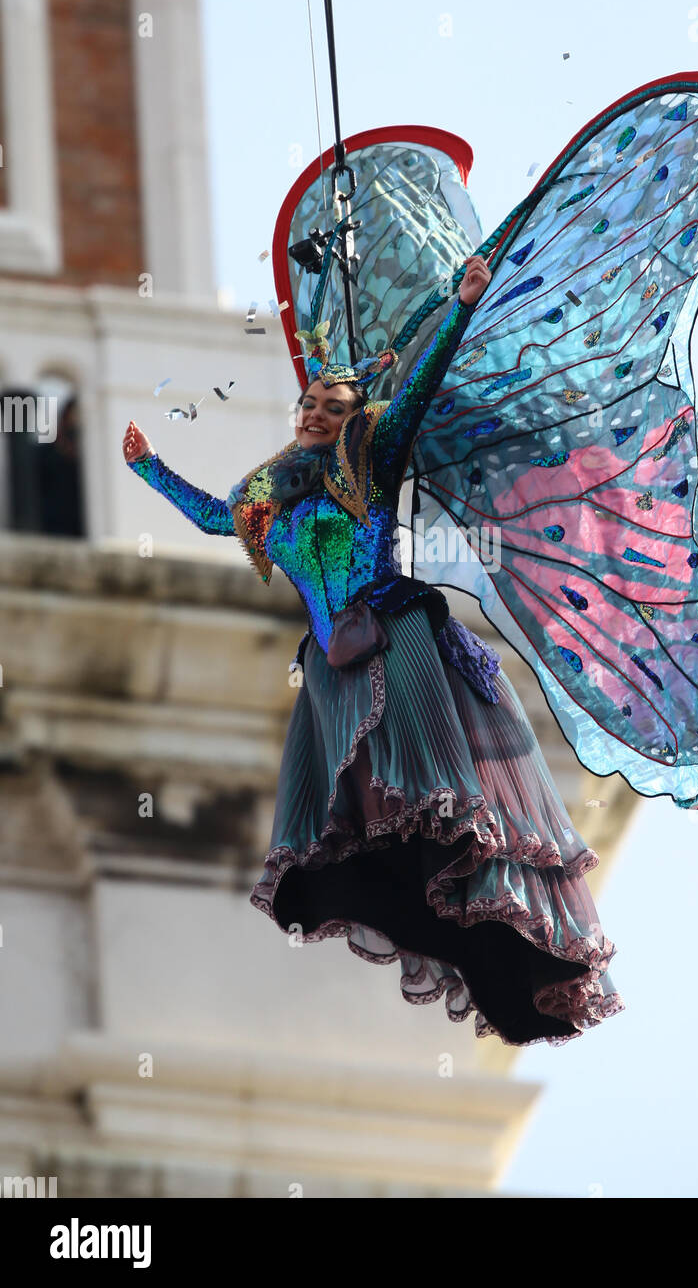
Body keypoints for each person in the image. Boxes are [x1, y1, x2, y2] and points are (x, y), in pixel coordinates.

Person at [123, 254, 624, 1047]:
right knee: (362, 804)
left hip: (395, 630)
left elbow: (418, 387)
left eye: (333, 404)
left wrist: (460, 304)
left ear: (354, 416)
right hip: (332, 662)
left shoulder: (369, 458)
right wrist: (149, 468)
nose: (315, 413)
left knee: (429, 786)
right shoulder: (271, 499)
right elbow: (216, 519)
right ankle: (404, 878)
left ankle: (487, 908)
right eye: (309, 402)